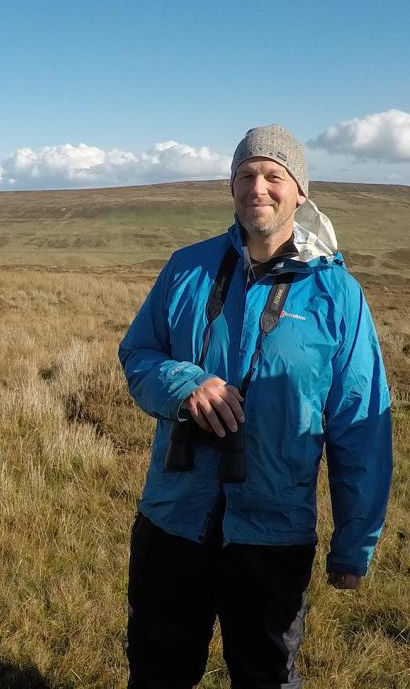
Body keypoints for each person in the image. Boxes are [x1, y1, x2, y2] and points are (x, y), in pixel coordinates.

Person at [118, 124, 392, 688]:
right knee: (156, 671)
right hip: (173, 519)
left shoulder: (338, 297)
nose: (258, 188)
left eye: (274, 176)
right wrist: (184, 384)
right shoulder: (185, 268)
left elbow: (359, 428)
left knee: (265, 675)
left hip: (272, 532)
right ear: (232, 189)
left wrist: (354, 543)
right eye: (246, 176)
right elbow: (139, 353)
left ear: (299, 193)